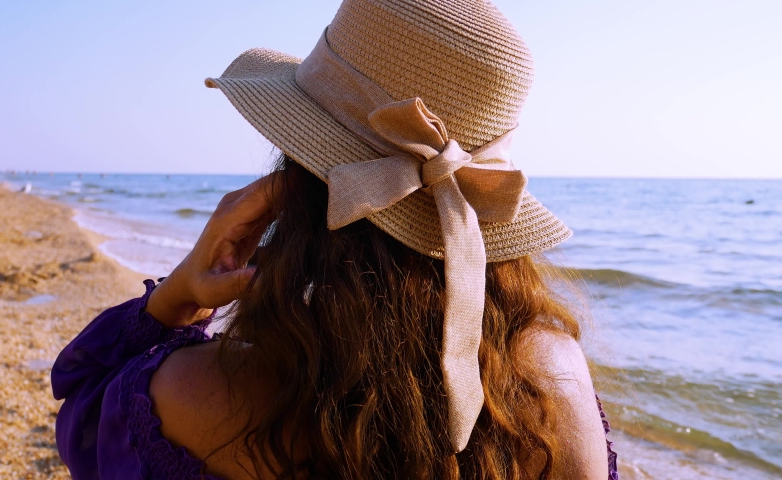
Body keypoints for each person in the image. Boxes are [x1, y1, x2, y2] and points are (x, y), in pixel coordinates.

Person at [52, 0, 618, 478]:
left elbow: (80, 397)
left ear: (294, 180)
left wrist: (178, 295)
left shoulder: (192, 392)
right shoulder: (556, 381)